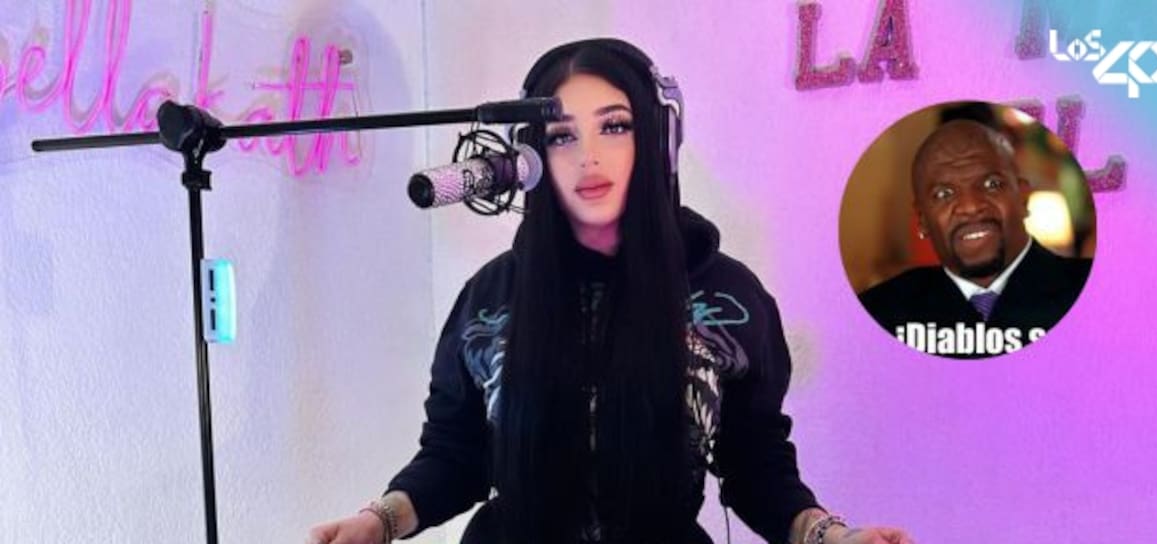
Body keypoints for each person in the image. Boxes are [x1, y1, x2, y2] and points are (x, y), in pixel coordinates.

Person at [309, 38, 915, 544]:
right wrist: (379, 521)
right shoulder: (490, 296)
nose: (588, 157)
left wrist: (829, 534)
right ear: (531, 153)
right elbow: (454, 454)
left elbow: (755, 462)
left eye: (615, 126)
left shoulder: (728, 296)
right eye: (561, 135)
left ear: (656, 138)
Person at [858, 119, 1092, 358]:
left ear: (1023, 198)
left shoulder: (1095, 293)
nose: (970, 206)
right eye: (944, 194)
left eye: (992, 184)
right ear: (922, 220)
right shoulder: (877, 315)